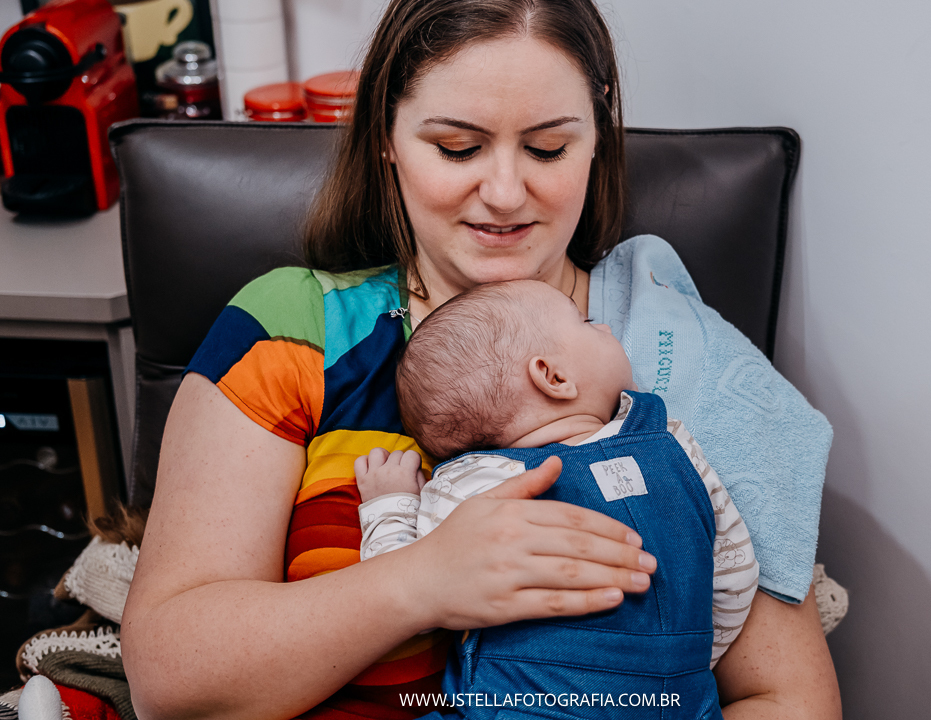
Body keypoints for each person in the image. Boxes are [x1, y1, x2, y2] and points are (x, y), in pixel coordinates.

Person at [121, 0, 842, 719]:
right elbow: (169, 685)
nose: (503, 194)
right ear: (388, 137)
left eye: (548, 149)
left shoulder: (678, 355)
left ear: (597, 135)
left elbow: (789, 699)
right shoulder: (298, 329)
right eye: (458, 148)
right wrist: (420, 584)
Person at [354, 279, 758, 717]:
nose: (606, 327)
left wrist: (389, 503)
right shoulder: (674, 444)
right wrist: (679, 666)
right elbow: (736, 576)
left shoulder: (472, 485)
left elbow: (407, 590)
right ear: (554, 377)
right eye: (587, 323)